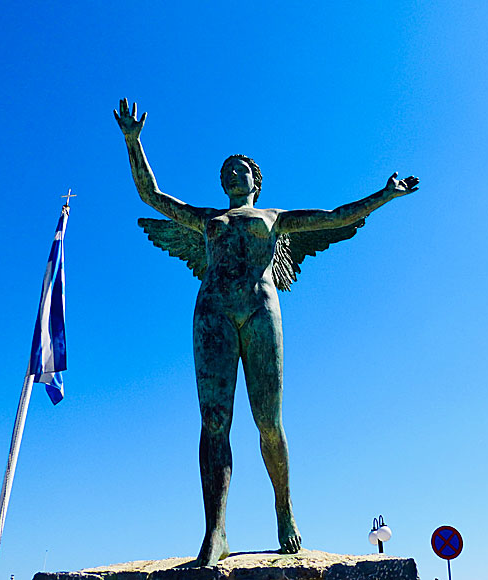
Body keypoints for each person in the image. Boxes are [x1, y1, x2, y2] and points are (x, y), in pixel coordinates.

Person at [114, 98, 419, 566]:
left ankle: (284, 508)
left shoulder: (276, 218)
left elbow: (338, 215)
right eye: (226, 173)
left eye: (240, 171)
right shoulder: (205, 219)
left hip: (260, 312)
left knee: (268, 423)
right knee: (214, 423)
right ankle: (215, 531)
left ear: (255, 181)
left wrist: (384, 195)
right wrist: (134, 142)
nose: (232, 176)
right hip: (212, 313)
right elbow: (152, 197)